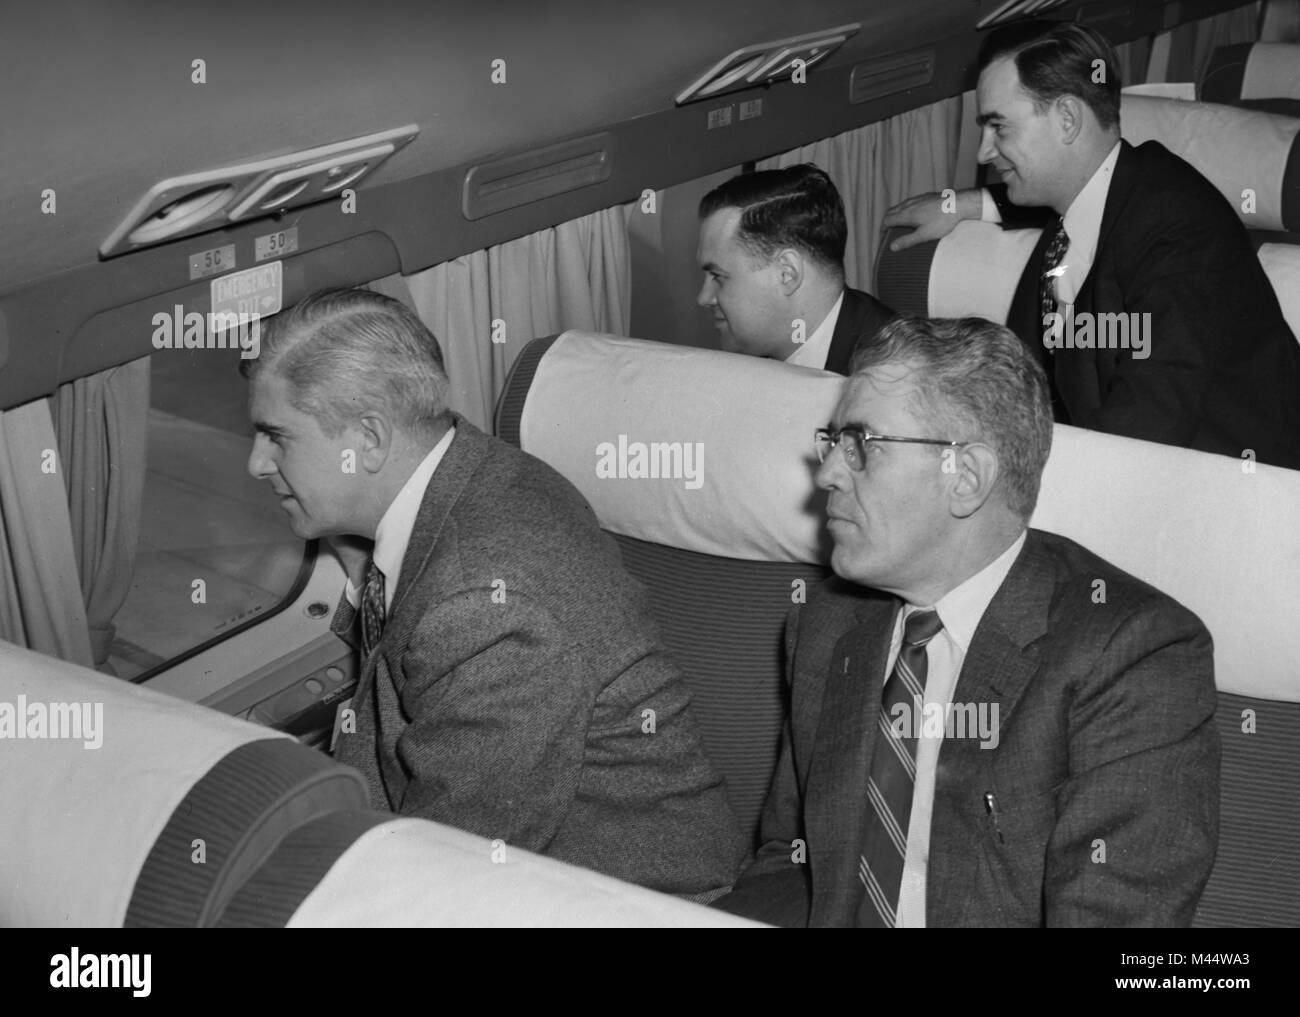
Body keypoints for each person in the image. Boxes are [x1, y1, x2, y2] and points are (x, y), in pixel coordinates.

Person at [714, 315, 1220, 927]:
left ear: (967, 478)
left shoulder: (1132, 655)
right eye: (833, 442)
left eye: (862, 446)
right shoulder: (828, 624)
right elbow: (794, 862)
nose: (827, 473)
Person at [242, 287, 743, 897]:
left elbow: (451, 871)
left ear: (368, 439)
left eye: (277, 436)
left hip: (623, 900)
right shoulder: (469, 473)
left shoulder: (485, 600)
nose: (257, 463)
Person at [881, 21, 1300, 468]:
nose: (984, 152)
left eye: (999, 128)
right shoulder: (1096, 192)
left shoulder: (1180, 238)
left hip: (1238, 488)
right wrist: (966, 204)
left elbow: (1144, 432)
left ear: (1067, 119)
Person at [697, 163, 894, 374]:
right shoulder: (745, 364)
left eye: (717, 276)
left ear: (787, 273)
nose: (703, 298)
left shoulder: (895, 375)